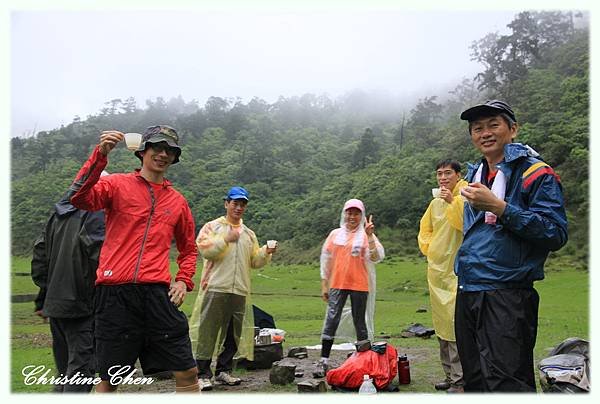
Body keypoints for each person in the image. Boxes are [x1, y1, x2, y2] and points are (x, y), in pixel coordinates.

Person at [69, 125, 200, 393]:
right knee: (108, 378)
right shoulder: (116, 184)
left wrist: (183, 280)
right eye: (157, 147)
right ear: (142, 151)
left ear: (175, 157)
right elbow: (79, 197)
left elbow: (189, 249)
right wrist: (100, 155)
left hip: (156, 294)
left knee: (187, 370)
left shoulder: (177, 202)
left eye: (170, 150)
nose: (163, 154)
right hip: (114, 294)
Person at [455, 100, 568, 392]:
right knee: (475, 380)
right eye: (477, 128)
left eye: (493, 124)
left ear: (513, 129)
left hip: (507, 293)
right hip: (469, 288)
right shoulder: (476, 175)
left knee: (508, 383)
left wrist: (502, 208)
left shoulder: (536, 173)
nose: (485, 133)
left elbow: (555, 232)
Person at [189, 186, 277, 391]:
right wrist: (225, 240)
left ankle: (224, 370)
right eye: (235, 203)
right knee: (208, 331)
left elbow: (254, 261)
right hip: (215, 286)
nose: (239, 207)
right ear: (226, 203)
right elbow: (204, 249)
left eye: (243, 204)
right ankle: (202, 373)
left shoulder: (248, 234)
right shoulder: (213, 227)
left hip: (239, 289)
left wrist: (266, 251)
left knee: (233, 333)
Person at [31, 176, 106, 393]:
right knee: (81, 371)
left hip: (56, 305)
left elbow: (39, 256)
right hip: (83, 304)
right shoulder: (95, 212)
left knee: (64, 371)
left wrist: (45, 294)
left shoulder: (58, 214)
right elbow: (99, 255)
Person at [316, 198, 384, 377]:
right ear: (344, 214)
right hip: (337, 284)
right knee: (331, 320)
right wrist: (324, 284)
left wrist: (369, 236)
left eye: (356, 213)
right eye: (349, 212)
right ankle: (323, 360)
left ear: (361, 215)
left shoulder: (365, 234)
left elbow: (377, 257)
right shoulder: (335, 235)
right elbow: (326, 260)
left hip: (360, 285)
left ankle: (363, 360)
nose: (352, 216)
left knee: (359, 322)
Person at [418, 160, 467, 393]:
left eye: (448, 173)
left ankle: (460, 380)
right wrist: (431, 249)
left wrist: (452, 201)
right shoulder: (434, 203)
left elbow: (466, 223)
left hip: (459, 271)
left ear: (458, 175)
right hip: (437, 271)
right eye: (439, 173)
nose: (443, 177)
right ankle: (449, 375)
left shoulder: (466, 195)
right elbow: (424, 229)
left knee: (455, 325)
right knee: (440, 324)